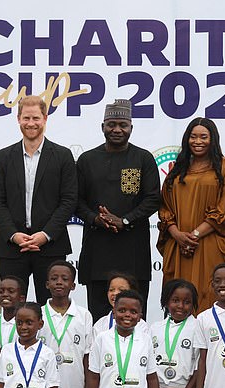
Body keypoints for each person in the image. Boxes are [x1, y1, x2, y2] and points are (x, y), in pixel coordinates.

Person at [76, 99, 160, 321]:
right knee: (99, 318)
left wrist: (124, 220)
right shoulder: (87, 160)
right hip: (98, 251)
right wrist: (96, 219)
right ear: (102, 126)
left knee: (134, 318)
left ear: (131, 128)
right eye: (111, 124)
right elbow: (75, 201)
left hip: (133, 251)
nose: (116, 129)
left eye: (123, 125)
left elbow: (152, 199)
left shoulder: (143, 159)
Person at [0, 95, 77, 305]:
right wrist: (13, 235)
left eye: (36, 118)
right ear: (18, 118)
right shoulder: (4, 156)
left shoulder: (63, 156)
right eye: (26, 118)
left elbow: (69, 200)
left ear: (45, 118)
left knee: (51, 309)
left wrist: (45, 235)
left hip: (50, 247)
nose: (31, 123)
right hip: (13, 248)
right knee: (12, 310)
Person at [157, 117, 225, 309]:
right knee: (180, 298)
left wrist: (193, 236)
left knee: (208, 296)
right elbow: (164, 207)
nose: (198, 141)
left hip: (209, 243)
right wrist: (177, 235)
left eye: (204, 137)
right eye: (193, 137)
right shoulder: (178, 168)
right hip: (180, 247)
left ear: (213, 139)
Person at [86, 290, 161, 388]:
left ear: (139, 316)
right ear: (114, 313)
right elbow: (93, 377)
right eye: (122, 310)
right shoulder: (102, 339)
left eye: (133, 312)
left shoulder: (146, 340)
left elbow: (152, 378)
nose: (127, 315)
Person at [37, 260, 92, 388]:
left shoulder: (84, 315)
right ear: (47, 284)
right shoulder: (37, 314)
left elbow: (88, 358)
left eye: (65, 279)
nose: (59, 282)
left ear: (73, 285)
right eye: (54, 278)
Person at [0, 302, 59, 388]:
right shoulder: (7, 351)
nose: (23, 327)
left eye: (29, 322)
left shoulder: (47, 353)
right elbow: (1, 385)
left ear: (40, 324)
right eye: (19, 323)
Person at [150, 279, 199, 388]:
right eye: (175, 300)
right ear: (166, 302)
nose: (180, 306)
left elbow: (199, 368)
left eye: (187, 302)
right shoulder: (155, 328)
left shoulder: (197, 327)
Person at [92, 272, 150, 339]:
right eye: (111, 290)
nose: (115, 293)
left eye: (121, 290)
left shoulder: (141, 326)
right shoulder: (100, 324)